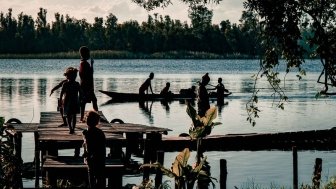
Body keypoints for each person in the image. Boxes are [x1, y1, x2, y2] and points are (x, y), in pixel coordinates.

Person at [82, 110, 106, 189]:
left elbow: (90, 149)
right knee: (99, 178)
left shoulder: (87, 133)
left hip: (93, 159)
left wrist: (86, 154)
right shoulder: (100, 132)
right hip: (101, 159)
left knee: (92, 176)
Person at [78, 46, 98, 122]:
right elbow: (90, 74)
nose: (89, 54)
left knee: (84, 102)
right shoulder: (85, 63)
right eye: (88, 53)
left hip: (84, 85)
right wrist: (92, 64)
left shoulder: (82, 63)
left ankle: (82, 117)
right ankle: (96, 115)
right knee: (92, 100)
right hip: (87, 86)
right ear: (85, 54)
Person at [59, 67, 81, 134]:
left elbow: (81, 92)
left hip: (74, 101)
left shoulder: (77, 84)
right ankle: (70, 128)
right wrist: (60, 100)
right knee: (69, 116)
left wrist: (81, 98)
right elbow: (62, 93)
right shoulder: (65, 84)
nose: (74, 77)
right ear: (67, 76)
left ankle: (73, 128)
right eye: (72, 76)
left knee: (73, 116)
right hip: (67, 102)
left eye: (75, 76)